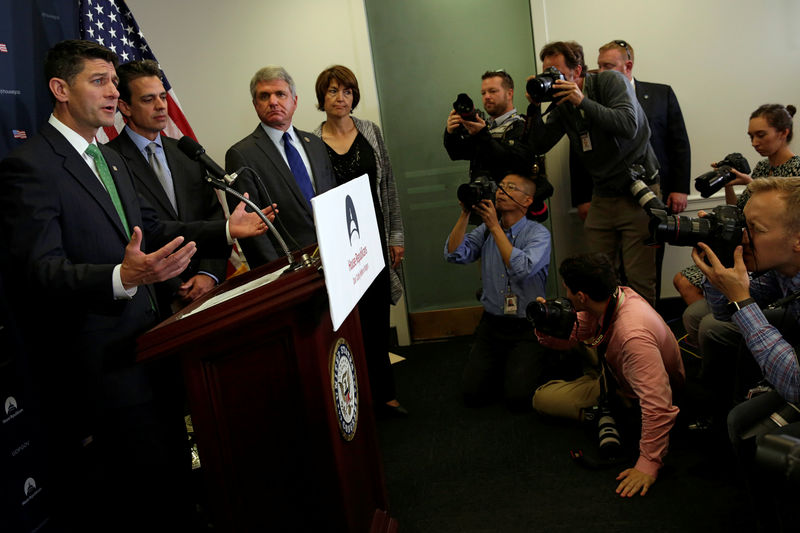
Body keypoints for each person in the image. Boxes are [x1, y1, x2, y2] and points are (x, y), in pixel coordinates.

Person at [0, 40, 271, 531]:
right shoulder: (31, 165)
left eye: (113, 82)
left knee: (171, 485)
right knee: (136, 498)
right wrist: (121, 278)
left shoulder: (114, 159)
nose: (112, 92)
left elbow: (154, 226)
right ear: (60, 89)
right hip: (100, 367)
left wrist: (227, 229)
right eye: (99, 81)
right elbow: (39, 271)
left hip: (154, 345)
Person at [691, 177, 800, 530]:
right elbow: (725, 313)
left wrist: (743, 300)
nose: (742, 236)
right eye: (742, 224)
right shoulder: (783, 268)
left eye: (754, 229)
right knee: (740, 420)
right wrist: (720, 269)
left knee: (768, 442)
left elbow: (798, 384)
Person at [533, 253, 685, 497]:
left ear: (581, 296)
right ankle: (594, 388)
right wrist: (547, 322)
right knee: (582, 341)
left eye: (568, 291)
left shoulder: (632, 337)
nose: (566, 295)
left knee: (542, 398)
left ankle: (606, 410)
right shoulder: (617, 295)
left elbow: (658, 406)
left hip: (632, 392)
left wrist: (649, 463)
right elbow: (575, 332)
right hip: (617, 370)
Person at [525, 41, 660, 306]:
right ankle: (608, 339)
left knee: (639, 279)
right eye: (546, 72)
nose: (551, 79)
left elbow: (628, 125)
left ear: (577, 71)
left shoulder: (609, 81)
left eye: (556, 72)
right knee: (598, 277)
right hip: (603, 194)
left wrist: (582, 100)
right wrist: (533, 107)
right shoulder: (562, 104)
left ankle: (646, 341)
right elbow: (537, 145)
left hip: (637, 189)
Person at [312, 65, 407, 417]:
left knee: (377, 320)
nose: (341, 98)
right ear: (321, 97)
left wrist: (396, 236)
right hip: (338, 250)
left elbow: (389, 187)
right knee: (346, 327)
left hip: (374, 242)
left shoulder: (370, 131)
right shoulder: (311, 142)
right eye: (334, 91)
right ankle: (355, 402)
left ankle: (386, 395)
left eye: (348, 91)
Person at [107, 59, 227, 316]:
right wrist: (176, 288)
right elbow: (132, 235)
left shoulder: (186, 152)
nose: (162, 105)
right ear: (125, 106)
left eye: (163, 96)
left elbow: (214, 216)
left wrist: (209, 273)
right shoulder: (111, 161)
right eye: (149, 99)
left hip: (212, 289)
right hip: (159, 302)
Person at [680, 104, 799, 341]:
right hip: (761, 262)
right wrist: (730, 186)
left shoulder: (796, 171)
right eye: (751, 136)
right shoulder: (763, 167)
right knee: (690, 291)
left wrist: (751, 183)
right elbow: (740, 212)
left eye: (761, 135)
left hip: (765, 260)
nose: (754, 142)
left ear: (783, 133)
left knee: (710, 322)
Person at [444, 171, 552, 411]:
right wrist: (465, 214)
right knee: (472, 394)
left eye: (510, 187)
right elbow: (454, 254)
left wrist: (494, 226)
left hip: (527, 326)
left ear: (527, 201)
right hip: (492, 325)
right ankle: (505, 364)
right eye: (500, 186)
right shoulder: (484, 231)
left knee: (518, 398)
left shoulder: (538, 234)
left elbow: (522, 269)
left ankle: (539, 359)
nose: (501, 192)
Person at [227, 65, 336, 268]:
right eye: (264, 96)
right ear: (255, 104)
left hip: (334, 258)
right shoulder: (241, 155)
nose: (273, 101)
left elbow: (332, 200)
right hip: (289, 272)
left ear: (294, 101)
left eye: (280, 94)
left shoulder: (316, 144)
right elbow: (251, 232)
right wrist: (277, 273)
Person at [443, 69, 532, 183]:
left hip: (507, 197)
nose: (487, 96)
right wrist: (451, 133)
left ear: (509, 94)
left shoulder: (521, 126)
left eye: (493, 91)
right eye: (483, 93)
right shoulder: (484, 126)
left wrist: (482, 135)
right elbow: (457, 153)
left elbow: (510, 162)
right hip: (480, 196)